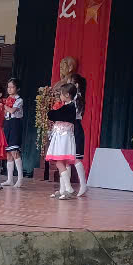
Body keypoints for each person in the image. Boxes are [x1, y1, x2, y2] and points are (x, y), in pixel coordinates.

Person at [57, 56, 90, 197]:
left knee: (76, 158)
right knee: (64, 159)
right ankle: (63, 189)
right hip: (67, 129)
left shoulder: (77, 100)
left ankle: (83, 185)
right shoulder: (70, 100)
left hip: (74, 128)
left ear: (75, 86)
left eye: (69, 83)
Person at [45, 82, 79, 200]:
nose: (60, 96)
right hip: (62, 137)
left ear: (67, 95)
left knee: (60, 162)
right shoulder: (68, 106)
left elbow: (53, 115)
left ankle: (69, 189)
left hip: (63, 138)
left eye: (61, 94)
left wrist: (51, 112)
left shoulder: (69, 107)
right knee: (63, 163)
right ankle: (62, 190)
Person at [1, 78, 24, 187]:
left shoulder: (19, 100)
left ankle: (20, 178)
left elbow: (12, 110)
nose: (9, 89)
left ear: (17, 88)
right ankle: (9, 179)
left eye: (12, 87)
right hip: (7, 124)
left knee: (15, 151)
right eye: (8, 87)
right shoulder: (6, 100)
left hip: (15, 125)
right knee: (8, 153)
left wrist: (3, 105)